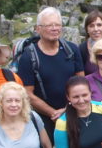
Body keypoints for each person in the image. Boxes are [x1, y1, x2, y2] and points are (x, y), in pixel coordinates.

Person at [18, 7, 85, 136]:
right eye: (49, 25)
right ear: (38, 29)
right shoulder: (28, 57)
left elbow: (82, 82)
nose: (55, 28)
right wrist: (53, 113)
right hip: (44, 118)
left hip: (74, 111)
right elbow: (27, 93)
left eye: (57, 24)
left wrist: (68, 110)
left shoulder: (71, 50)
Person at [79, 9, 102, 76]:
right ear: (87, 29)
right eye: (91, 26)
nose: (96, 29)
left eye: (99, 25)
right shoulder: (81, 49)